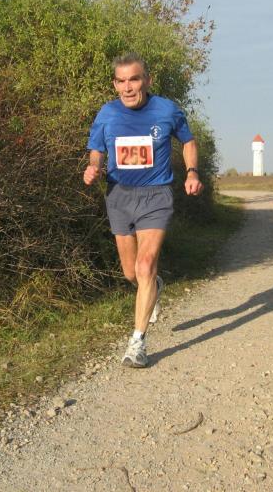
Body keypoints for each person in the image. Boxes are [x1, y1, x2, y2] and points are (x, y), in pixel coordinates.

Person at [83, 52, 203, 368]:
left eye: (134, 79)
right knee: (130, 272)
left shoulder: (167, 110)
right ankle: (154, 286)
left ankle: (137, 342)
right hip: (119, 196)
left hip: (156, 196)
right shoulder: (107, 113)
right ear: (115, 84)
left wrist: (192, 172)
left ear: (147, 80)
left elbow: (188, 141)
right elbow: (96, 150)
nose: (128, 87)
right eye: (121, 81)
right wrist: (93, 167)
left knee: (145, 264)